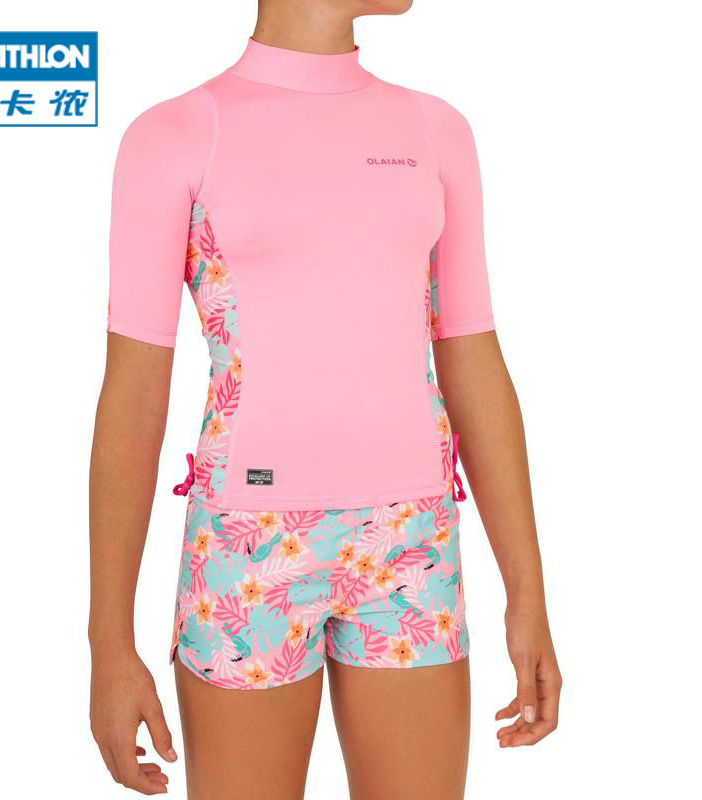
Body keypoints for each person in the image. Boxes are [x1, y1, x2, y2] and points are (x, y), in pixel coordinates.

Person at [89, 1, 562, 797]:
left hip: (412, 543)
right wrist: (109, 641)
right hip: (248, 550)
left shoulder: (435, 129)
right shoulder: (176, 135)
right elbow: (134, 392)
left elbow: (472, 354)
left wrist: (528, 593)